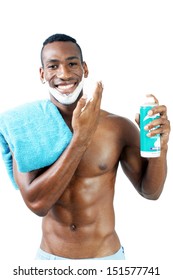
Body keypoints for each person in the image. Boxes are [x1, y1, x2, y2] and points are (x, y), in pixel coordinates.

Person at [12, 33, 170, 260]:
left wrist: (161, 149)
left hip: (106, 259)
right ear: (42, 73)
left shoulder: (117, 127)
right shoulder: (26, 128)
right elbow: (37, 204)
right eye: (53, 66)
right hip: (50, 261)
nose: (64, 74)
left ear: (85, 69)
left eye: (72, 63)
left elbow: (151, 192)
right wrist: (81, 139)